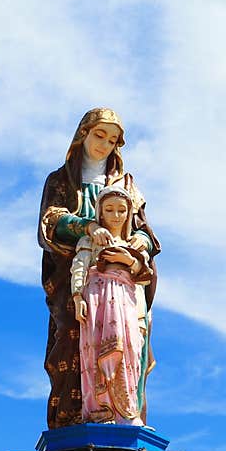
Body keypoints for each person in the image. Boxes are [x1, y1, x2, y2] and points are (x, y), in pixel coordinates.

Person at [38, 108, 160, 429]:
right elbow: (50, 221)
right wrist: (87, 228)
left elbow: (145, 231)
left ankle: (124, 412)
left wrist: (139, 246)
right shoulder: (62, 180)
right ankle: (77, 419)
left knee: (128, 341)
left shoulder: (127, 185)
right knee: (73, 339)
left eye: (112, 139)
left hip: (123, 283)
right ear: (84, 134)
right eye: (99, 135)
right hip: (77, 281)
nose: (104, 145)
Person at [71, 186, 152, 426]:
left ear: (128, 214)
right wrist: (78, 297)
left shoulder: (134, 244)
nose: (116, 215)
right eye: (109, 210)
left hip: (126, 300)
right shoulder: (90, 240)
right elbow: (79, 267)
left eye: (121, 210)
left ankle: (126, 411)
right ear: (100, 213)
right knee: (96, 349)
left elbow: (144, 275)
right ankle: (100, 411)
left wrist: (129, 261)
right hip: (98, 297)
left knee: (129, 349)